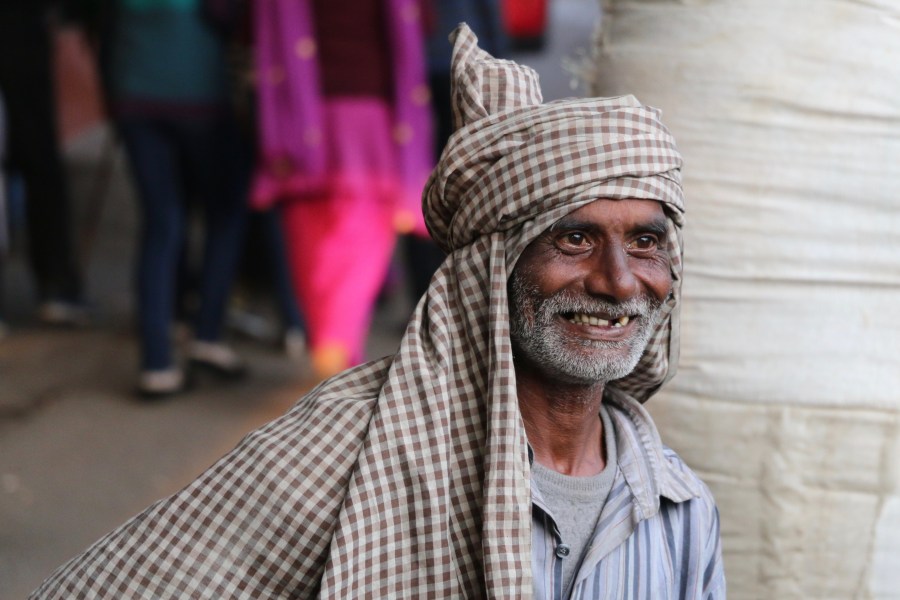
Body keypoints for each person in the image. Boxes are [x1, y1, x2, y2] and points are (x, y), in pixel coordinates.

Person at [30, 25, 724, 598]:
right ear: (495, 266)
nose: (618, 281)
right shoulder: (338, 451)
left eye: (646, 243)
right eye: (574, 239)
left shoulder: (679, 508)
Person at [251, 0, 434, 379]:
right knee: (352, 244)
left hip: (314, 123)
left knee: (323, 246)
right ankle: (337, 348)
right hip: (354, 123)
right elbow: (424, 23)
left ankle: (334, 348)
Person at [94, 0, 249, 396]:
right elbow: (231, 17)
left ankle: (156, 362)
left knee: (161, 222)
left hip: (134, 97)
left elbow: (101, 26)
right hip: (200, 98)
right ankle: (207, 335)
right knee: (226, 213)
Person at [0, 0, 88, 325]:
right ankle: (57, 287)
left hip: (24, 36)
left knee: (39, 164)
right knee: (40, 165)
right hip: (21, 38)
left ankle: (57, 287)